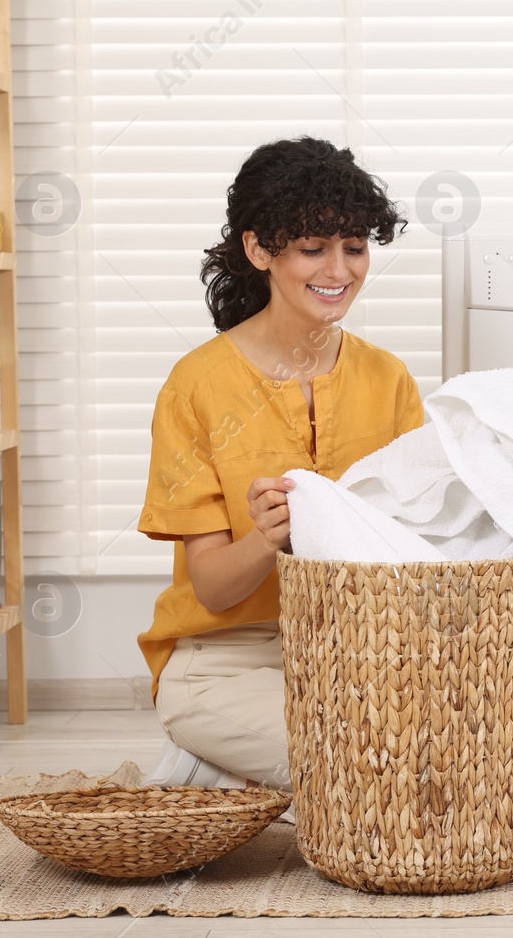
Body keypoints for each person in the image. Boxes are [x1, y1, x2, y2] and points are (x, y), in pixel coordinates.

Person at [136, 136, 421, 788]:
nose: (339, 269)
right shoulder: (197, 387)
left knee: (448, 758)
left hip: (355, 653)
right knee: (374, 773)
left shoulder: (389, 380)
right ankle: (237, 755)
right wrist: (267, 538)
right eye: (313, 248)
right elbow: (211, 587)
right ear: (259, 249)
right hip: (224, 661)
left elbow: (416, 543)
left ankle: (244, 774)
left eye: (354, 246)